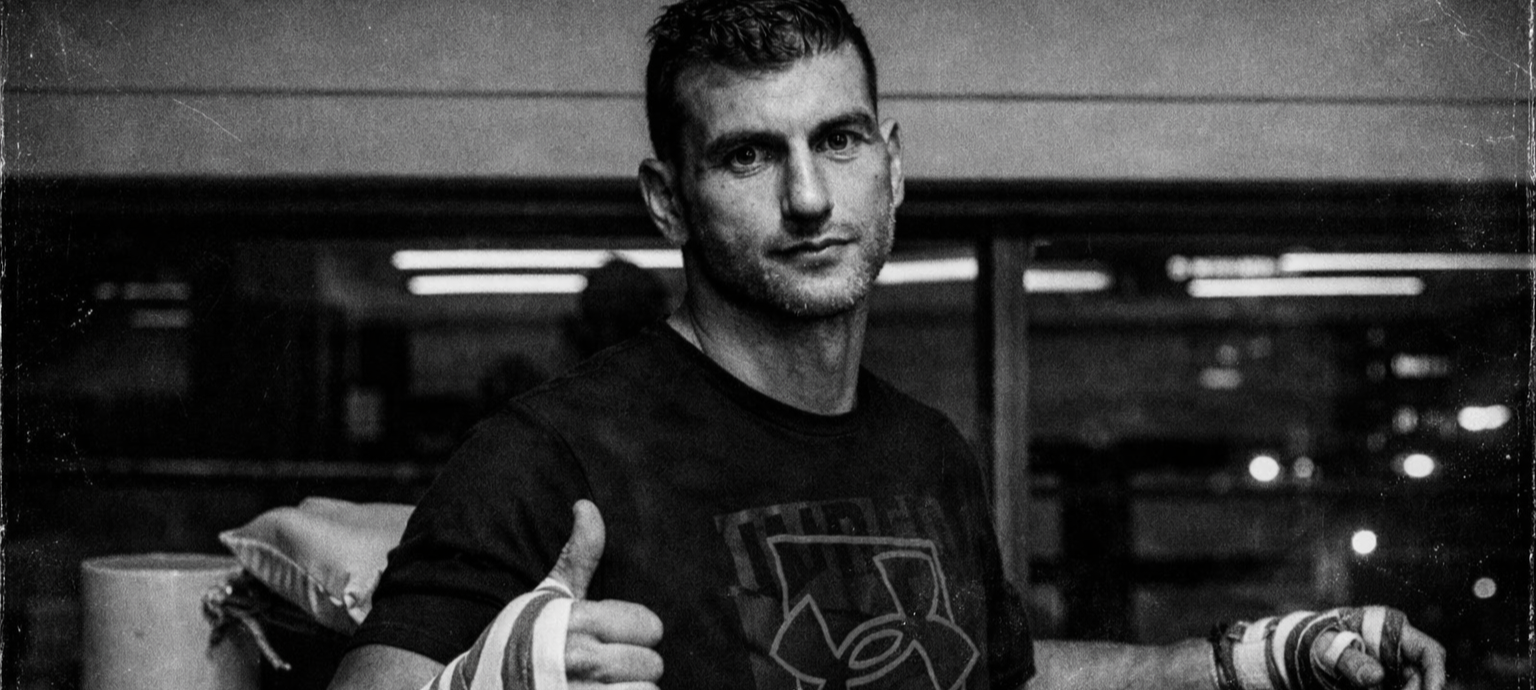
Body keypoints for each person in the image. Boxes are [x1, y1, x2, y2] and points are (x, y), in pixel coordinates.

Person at [330, 2, 1447, 689]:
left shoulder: (924, 450)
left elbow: (986, 676)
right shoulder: (550, 455)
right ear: (668, 201)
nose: (811, 196)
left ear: (893, 164)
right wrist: (482, 686)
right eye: (749, 157)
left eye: (841, 139)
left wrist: (1252, 659)